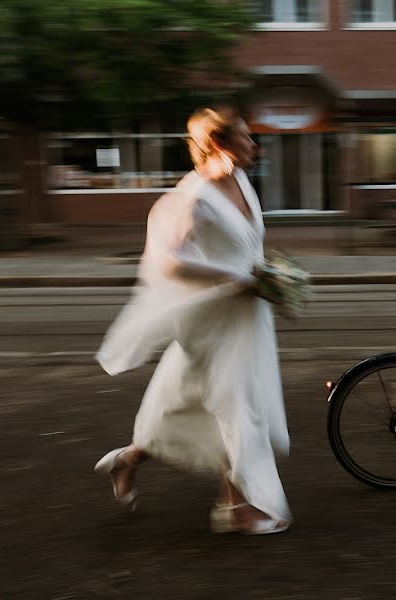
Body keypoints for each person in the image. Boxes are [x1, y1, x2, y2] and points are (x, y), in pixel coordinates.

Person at [94, 107, 291, 535]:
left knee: (184, 401)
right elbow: (168, 264)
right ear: (220, 144)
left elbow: (246, 244)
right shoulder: (195, 197)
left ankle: (126, 460)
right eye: (245, 138)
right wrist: (234, 277)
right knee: (238, 405)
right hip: (216, 318)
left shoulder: (240, 180)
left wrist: (269, 277)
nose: (255, 145)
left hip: (248, 313)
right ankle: (234, 506)